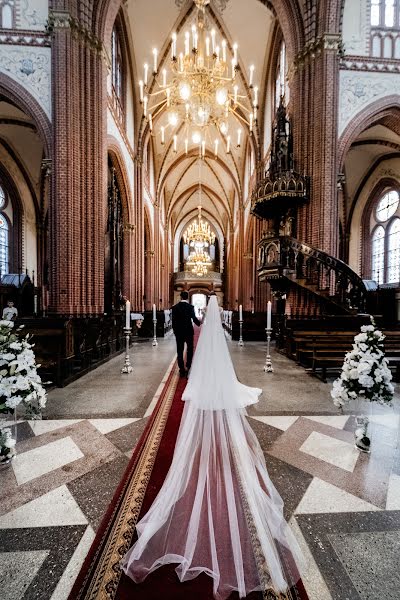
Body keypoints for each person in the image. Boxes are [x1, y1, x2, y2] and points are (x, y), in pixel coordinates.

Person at [121, 295, 303, 599]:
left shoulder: (189, 314)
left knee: (186, 355)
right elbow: (203, 334)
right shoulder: (206, 322)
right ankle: (187, 365)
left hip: (195, 362)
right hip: (213, 366)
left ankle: (183, 367)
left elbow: (197, 334)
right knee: (194, 355)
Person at [171, 291, 201, 377]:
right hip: (188, 331)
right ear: (187, 297)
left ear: (180, 297)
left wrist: (175, 331)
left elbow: (174, 321)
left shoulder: (175, 307)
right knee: (190, 349)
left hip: (179, 332)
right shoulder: (190, 307)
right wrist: (199, 323)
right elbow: (194, 318)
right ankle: (188, 366)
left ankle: (181, 369)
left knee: (179, 351)